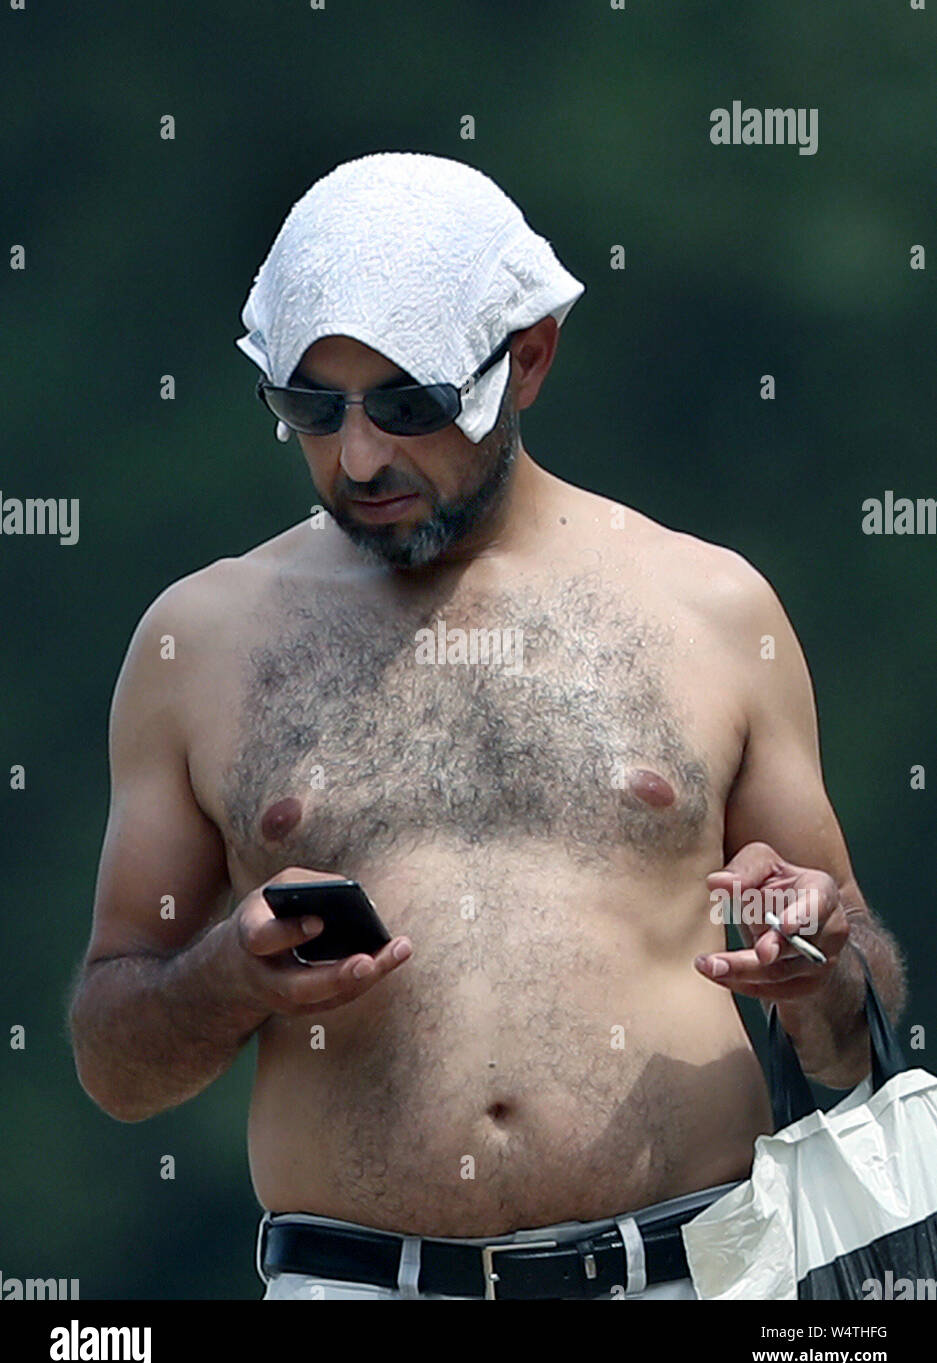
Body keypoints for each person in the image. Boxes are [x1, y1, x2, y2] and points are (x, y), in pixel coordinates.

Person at [67, 152, 907, 1300]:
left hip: (698, 1273)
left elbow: (856, 1013)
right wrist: (227, 978)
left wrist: (816, 963)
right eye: (313, 410)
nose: (359, 458)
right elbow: (114, 1060)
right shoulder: (201, 640)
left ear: (528, 358)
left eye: (408, 406)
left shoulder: (710, 607)